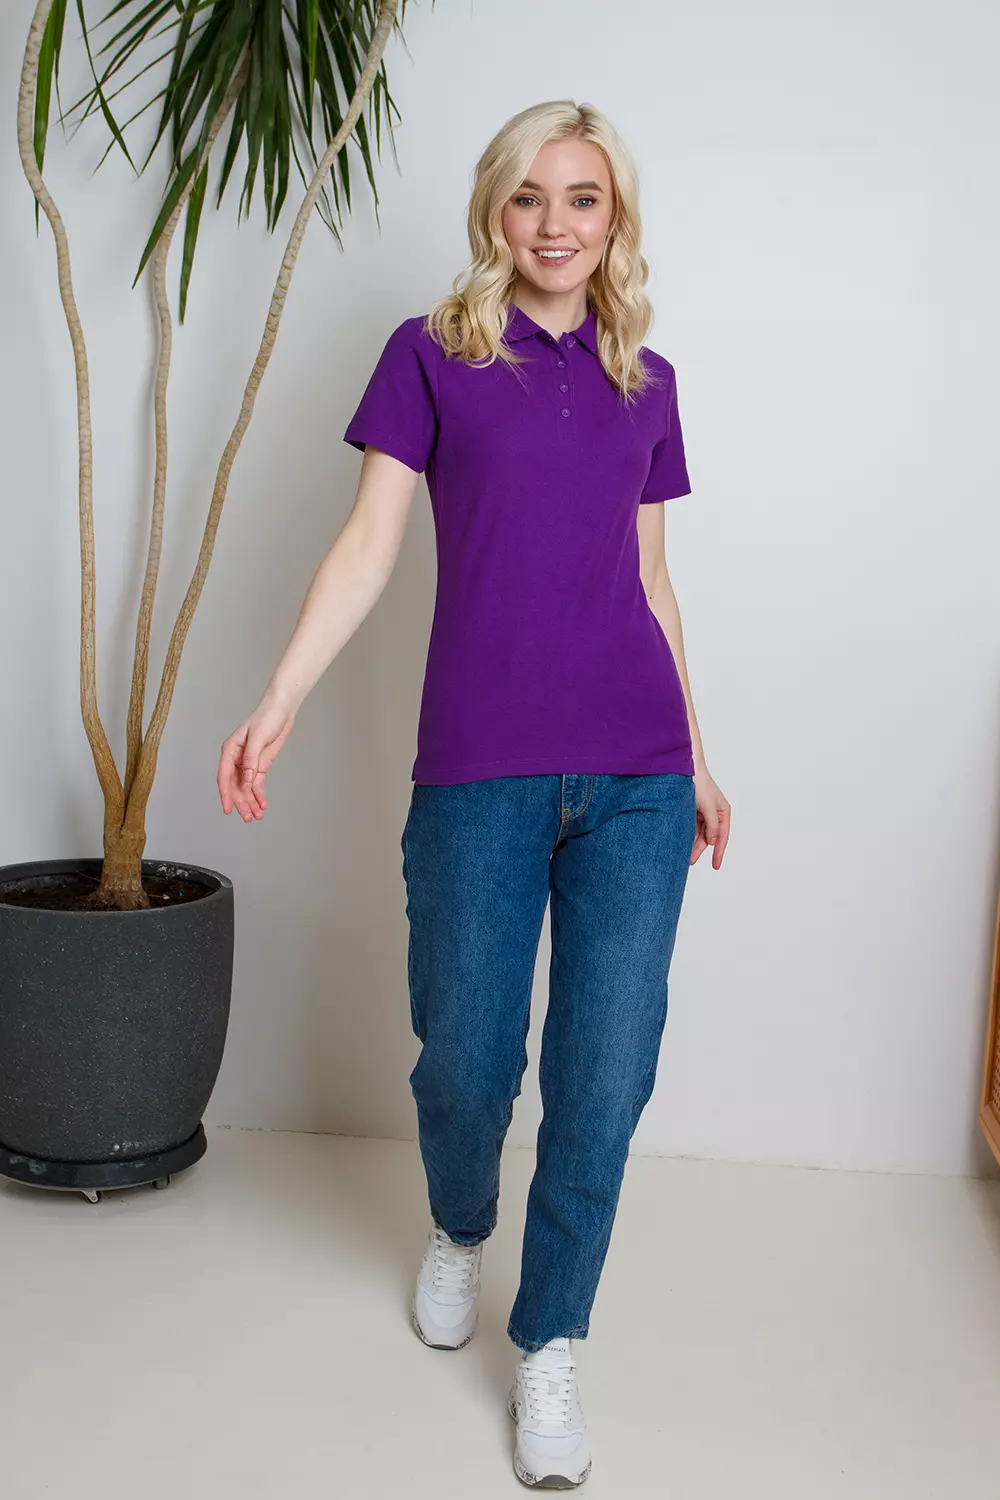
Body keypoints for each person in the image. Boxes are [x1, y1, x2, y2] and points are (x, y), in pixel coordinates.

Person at [218, 99, 730, 1491]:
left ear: (615, 219)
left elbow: (653, 583)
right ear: (495, 211)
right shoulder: (431, 355)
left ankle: (551, 1337)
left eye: (583, 198)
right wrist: (279, 699)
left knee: (605, 1074)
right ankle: (458, 1224)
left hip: (636, 774)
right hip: (480, 770)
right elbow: (367, 546)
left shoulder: (648, 380)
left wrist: (697, 753)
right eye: (528, 197)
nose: (555, 224)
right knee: (465, 1056)